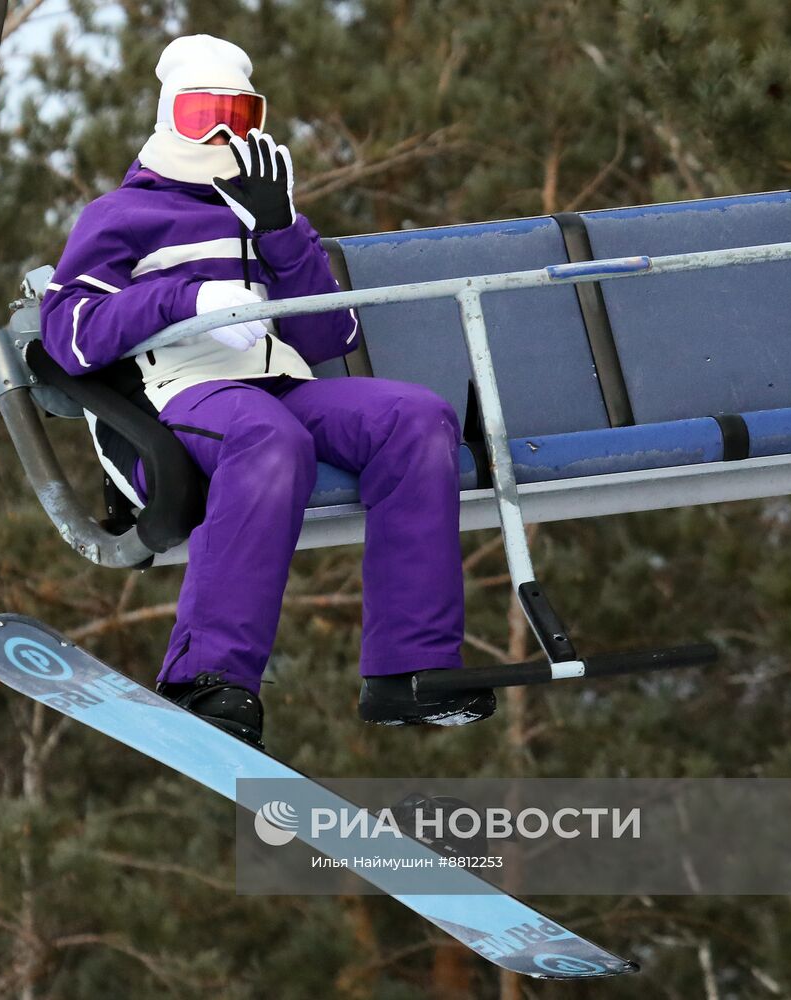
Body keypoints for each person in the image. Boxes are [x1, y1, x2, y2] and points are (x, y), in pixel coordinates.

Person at [40, 34, 495, 746]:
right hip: (180, 397)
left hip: (277, 384)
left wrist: (281, 230)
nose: (222, 134)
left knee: (417, 417)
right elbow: (69, 332)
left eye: (240, 116)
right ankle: (207, 678)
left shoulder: (263, 210)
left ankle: (410, 669)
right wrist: (185, 301)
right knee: (266, 437)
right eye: (202, 115)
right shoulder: (121, 215)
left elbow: (331, 333)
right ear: (168, 117)